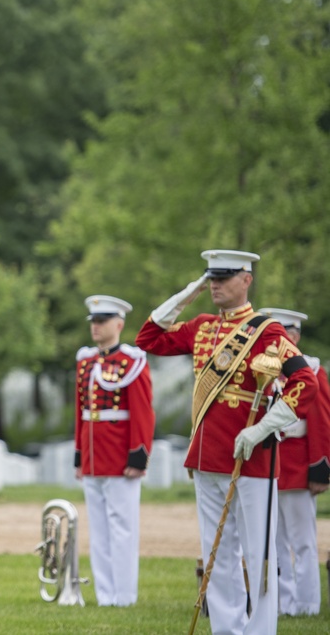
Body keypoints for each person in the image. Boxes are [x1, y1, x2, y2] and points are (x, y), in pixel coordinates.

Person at [135, 249, 317, 635]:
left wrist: (262, 428)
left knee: (258, 553)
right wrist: (191, 291)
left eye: (223, 277)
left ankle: (261, 630)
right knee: (218, 554)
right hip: (206, 456)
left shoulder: (266, 330)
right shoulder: (201, 326)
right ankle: (227, 629)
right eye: (211, 278)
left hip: (251, 457)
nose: (215, 284)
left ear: (246, 280)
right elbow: (148, 337)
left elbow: (306, 383)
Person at [74, 295, 155, 607]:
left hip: (121, 457)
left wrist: (138, 455)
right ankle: (105, 595)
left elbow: (143, 412)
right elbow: (80, 412)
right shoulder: (85, 362)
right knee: (99, 530)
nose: (96, 327)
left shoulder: (132, 362)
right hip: (94, 458)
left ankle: (124, 596)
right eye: (93, 321)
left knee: (122, 529)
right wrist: (79, 456)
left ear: (119, 324)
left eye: (102, 321)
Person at [257, 308, 330, 616]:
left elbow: (321, 423)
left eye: (283, 333)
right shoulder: (263, 370)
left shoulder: (311, 370)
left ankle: (308, 603)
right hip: (269, 464)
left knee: (302, 541)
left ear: (295, 336)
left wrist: (320, 468)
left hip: (299, 465)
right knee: (274, 541)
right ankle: (283, 602)